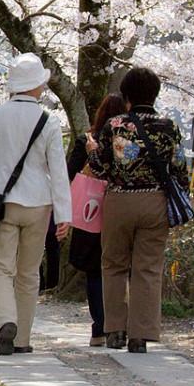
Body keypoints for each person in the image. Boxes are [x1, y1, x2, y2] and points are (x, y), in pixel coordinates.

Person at [0, 53, 71, 356]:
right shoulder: (49, 120)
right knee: (29, 273)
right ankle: (22, 338)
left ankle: (5, 322)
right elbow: (58, 169)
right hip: (39, 205)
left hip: (2, 203)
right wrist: (64, 214)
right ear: (37, 85)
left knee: (2, 269)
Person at [88, 68, 186, 354]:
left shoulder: (115, 124)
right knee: (147, 268)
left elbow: (100, 168)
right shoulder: (168, 125)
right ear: (155, 94)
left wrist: (93, 150)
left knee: (114, 264)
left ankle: (115, 330)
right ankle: (140, 335)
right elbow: (179, 168)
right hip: (154, 201)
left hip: (119, 201)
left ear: (127, 95)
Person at [68, 93, 126, 347]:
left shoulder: (86, 140)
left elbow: (68, 173)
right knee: (121, 268)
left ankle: (99, 328)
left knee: (94, 270)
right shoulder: (125, 142)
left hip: (90, 210)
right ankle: (120, 327)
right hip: (118, 207)